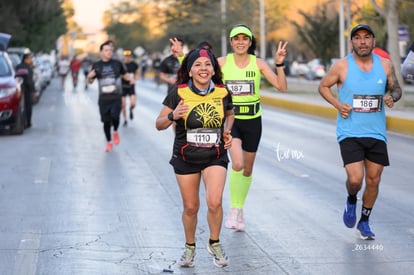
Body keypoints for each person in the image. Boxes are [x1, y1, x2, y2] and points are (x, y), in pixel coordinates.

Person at [318, 24, 402, 240]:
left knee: (373, 180)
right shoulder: (342, 66)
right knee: (356, 180)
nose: (362, 41)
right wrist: (338, 105)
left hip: (376, 133)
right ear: (352, 42)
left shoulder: (385, 65)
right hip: (350, 132)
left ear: (373, 41)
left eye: (366, 37)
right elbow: (323, 86)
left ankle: (364, 221)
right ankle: (351, 198)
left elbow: (396, 88)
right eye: (357, 38)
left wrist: (393, 97)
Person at [155, 48, 234, 268]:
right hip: (185, 157)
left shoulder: (222, 91)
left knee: (215, 201)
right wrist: (173, 115)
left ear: (213, 69)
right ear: (189, 71)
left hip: (215, 155)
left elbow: (230, 114)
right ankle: (189, 248)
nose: (203, 69)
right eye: (197, 65)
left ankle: (214, 243)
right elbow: (159, 124)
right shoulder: (178, 93)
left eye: (207, 64)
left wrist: (227, 131)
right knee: (191, 207)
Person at [219, 24, 288, 231]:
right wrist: (180, 57)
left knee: (247, 169)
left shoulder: (258, 64)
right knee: (237, 164)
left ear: (250, 42)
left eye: (244, 39)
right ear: (231, 42)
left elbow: (281, 87)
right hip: (231, 121)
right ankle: (233, 209)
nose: (240, 42)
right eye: (236, 39)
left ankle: (239, 209)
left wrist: (279, 64)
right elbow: (198, 71)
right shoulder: (222, 63)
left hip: (253, 121)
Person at [87, 40, 133, 152]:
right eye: (106, 50)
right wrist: (89, 76)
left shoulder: (117, 64)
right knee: (106, 122)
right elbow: (90, 82)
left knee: (115, 117)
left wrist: (130, 79)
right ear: (101, 52)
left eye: (110, 50)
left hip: (116, 97)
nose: (109, 52)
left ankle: (115, 131)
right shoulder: (96, 65)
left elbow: (125, 74)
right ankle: (109, 142)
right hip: (103, 99)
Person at [15, 53, 36, 128]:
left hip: (18, 90)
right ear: (26, 59)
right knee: (28, 107)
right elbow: (30, 81)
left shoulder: (17, 67)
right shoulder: (28, 68)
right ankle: (28, 122)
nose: (31, 60)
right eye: (30, 58)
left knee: (20, 107)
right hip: (27, 90)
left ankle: (22, 122)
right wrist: (33, 92)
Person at [121, 50, 139, 126]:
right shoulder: (121, 64)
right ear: (124, 57)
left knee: (133, 103)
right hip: (123, 86)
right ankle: (125, 119)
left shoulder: (134, 64)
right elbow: (118, 73)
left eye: (128, 57)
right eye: (126, 57)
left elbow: (138, 73)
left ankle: (131, 109)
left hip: (131, 86)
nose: (127, 58)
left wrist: (134, 80)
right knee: (123, 104)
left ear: (130, 57)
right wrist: (125, 77)